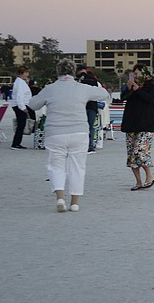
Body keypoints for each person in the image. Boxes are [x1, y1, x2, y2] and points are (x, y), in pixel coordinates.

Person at [28, 59, 110, 212]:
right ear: (74, 72)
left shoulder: (50, 88)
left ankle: (60, 198)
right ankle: (74, 203)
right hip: (79, 132)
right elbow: (103, 94)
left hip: (55, 132)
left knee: (56, 166)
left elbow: (33, 104)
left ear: (58, 72)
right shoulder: (81, 87)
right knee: (78, 167)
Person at [121, 63, 154, 190]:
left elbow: (150, 99)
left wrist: (138, 89)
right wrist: (128, 88)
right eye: (134, 74)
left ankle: (149, 177)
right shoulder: (131, 87)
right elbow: (122, 98)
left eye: (137, 73)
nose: (135, 76)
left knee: (140, 152)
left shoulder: (151, 87)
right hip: (131, 123)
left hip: (146, 124)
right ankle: (138, 182)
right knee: (131, 155)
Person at [76, 65, 101, 153]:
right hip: (92, 106)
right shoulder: (93, 79)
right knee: (91, 127)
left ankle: (81, 145)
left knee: (81, 127)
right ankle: (90, 146)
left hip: (81, 106)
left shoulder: (77, 80)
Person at [11, 66, 32, 149]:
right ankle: (16, 143)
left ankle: (17, 142)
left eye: (27, 73)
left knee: (21, 125)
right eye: (25, 73)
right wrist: (23, 108)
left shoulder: (21, 82)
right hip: (20, 106)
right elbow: (19, 96)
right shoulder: (19, 83)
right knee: (21, 125)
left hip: (20, 105)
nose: (27, 74)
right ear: (21, 74)